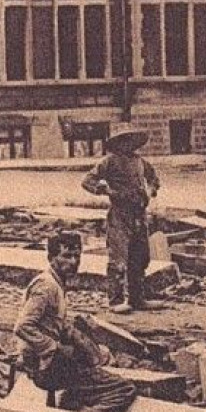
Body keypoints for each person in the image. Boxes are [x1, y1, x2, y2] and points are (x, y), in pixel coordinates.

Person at [13, 231, 137, 412]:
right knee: (124, 389)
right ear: (51, 257)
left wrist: (81, 340)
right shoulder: (46, 287)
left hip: (46, 363)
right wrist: (52, 348)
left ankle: (70, 407)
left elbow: (53, 323)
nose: (73, 262)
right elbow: (22, 326)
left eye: (77, 256)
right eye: (66, 256)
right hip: (45, 366)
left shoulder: (56, 283)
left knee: (91, 364)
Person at [81, 122, 161, 313]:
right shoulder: (109, 161)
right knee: (118, 259)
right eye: (125, 140)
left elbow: (154, 179)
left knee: (140, 257)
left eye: (131, 140)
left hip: (140, 215)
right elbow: (87, 181)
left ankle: (137, 298)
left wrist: (150, 190)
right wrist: (103, 189)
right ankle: (115, 300)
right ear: (118, 143)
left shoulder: (141, 162)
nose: (129, 144)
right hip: (119, 215)